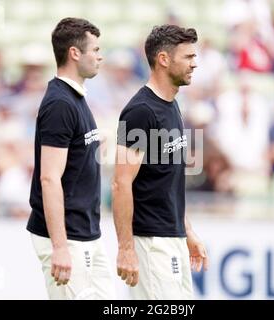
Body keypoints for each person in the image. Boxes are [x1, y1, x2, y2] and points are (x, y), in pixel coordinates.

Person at [112, 24, 209, 300]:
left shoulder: (172, 104)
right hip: (151, 244)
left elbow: (168, 182)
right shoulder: (140, 111)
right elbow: (120, 184)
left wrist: (186, 231)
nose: (195, 63)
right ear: (163, 59)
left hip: (172, 239)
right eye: (188, 57)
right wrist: (126, 249)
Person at [26, 17, 115, 300]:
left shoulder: (76, 97)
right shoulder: (60, 104)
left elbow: (74, 161)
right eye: (95, 49)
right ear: (75, 53)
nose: (100, 56)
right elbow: (49, 178)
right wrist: (60, 247)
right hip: (68, 238)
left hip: (88, 233)